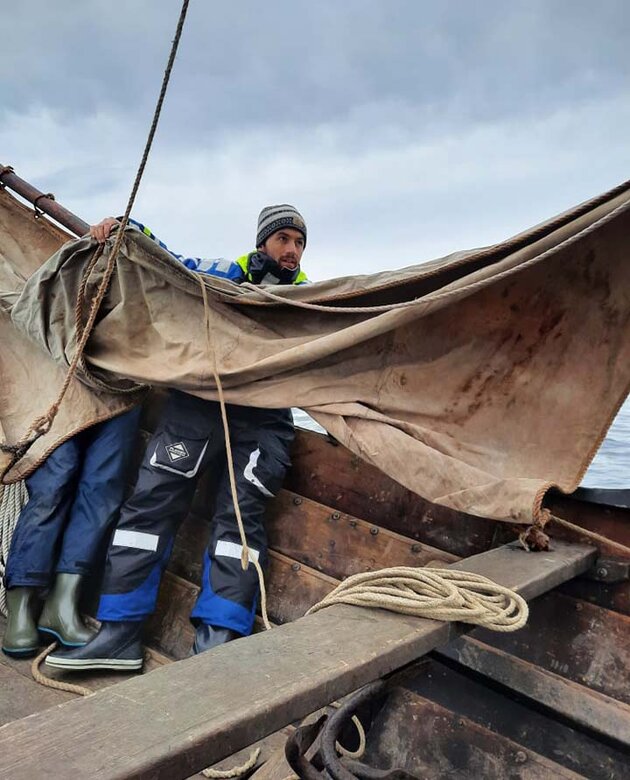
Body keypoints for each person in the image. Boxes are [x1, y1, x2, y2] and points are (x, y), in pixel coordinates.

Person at [46, 205, 309, 671]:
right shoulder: (225, 273)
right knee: (148, 507)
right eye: (283, 239)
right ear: (263, 242)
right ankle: (119, 634)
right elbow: (169, 261)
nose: (291, 250)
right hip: (197, 404)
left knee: (240, 530)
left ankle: (217, 644)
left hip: (264, 421)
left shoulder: (313, 298)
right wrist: (128, 230)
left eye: (299, 242)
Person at [1, 408, 142, 657]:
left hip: (125, 384)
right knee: (53, 479)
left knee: (103, 487)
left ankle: (63, 604)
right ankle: (21, 603)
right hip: (55, 380)